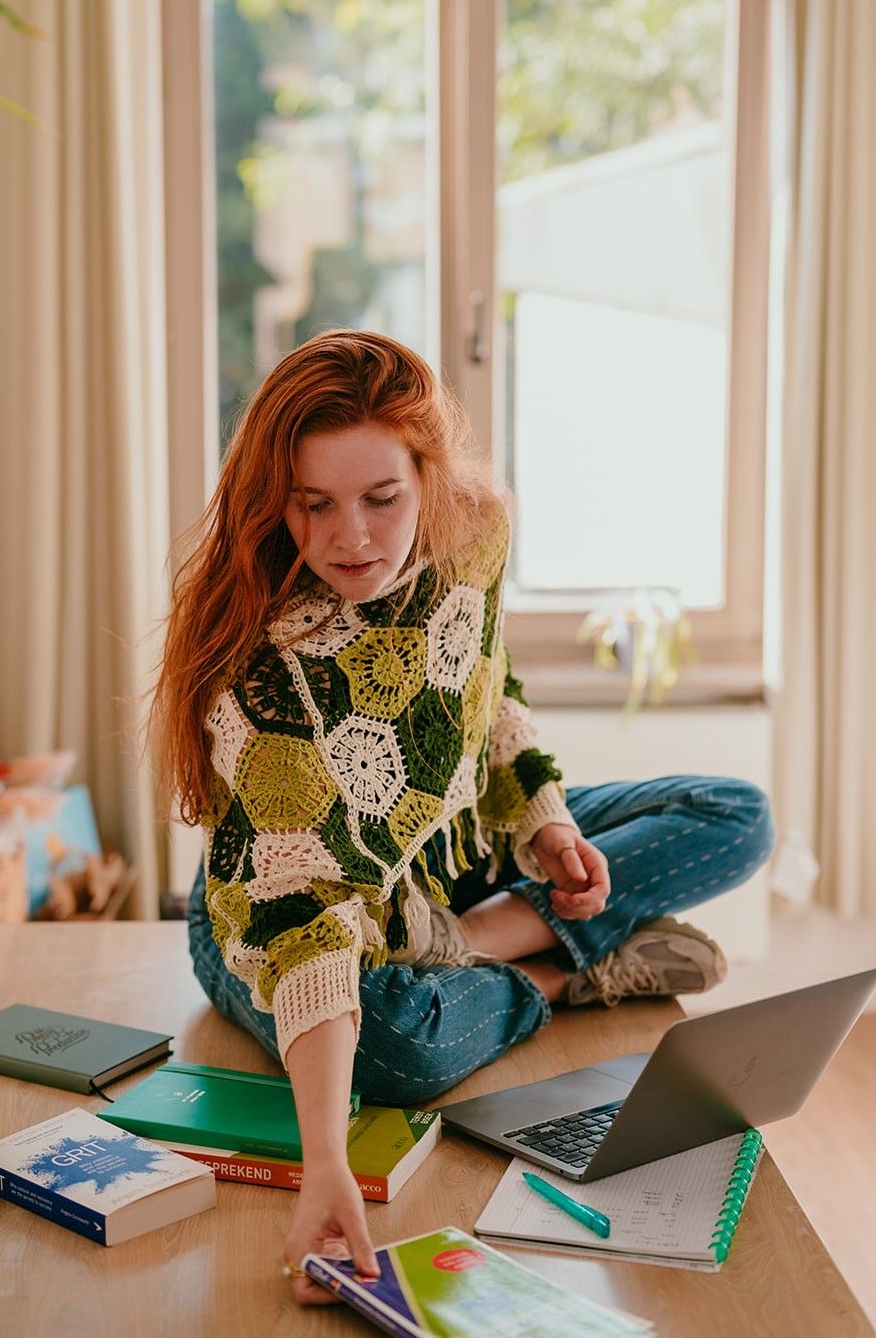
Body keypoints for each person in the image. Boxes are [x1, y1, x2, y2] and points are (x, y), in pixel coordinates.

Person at [151, 330, 774, 1304]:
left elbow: (480, 682)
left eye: (380, 498)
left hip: (443, 862)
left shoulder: (474, 530)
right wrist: (323, 1162)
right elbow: (303, 925)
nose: (350, 537)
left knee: (733, 814)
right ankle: (564, 974)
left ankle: (494, 934)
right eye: (313, 503)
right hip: (274, 910)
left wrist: (544, 825)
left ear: (429, 476)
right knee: (393, 1054)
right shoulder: (270, 686)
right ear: (276, 495)